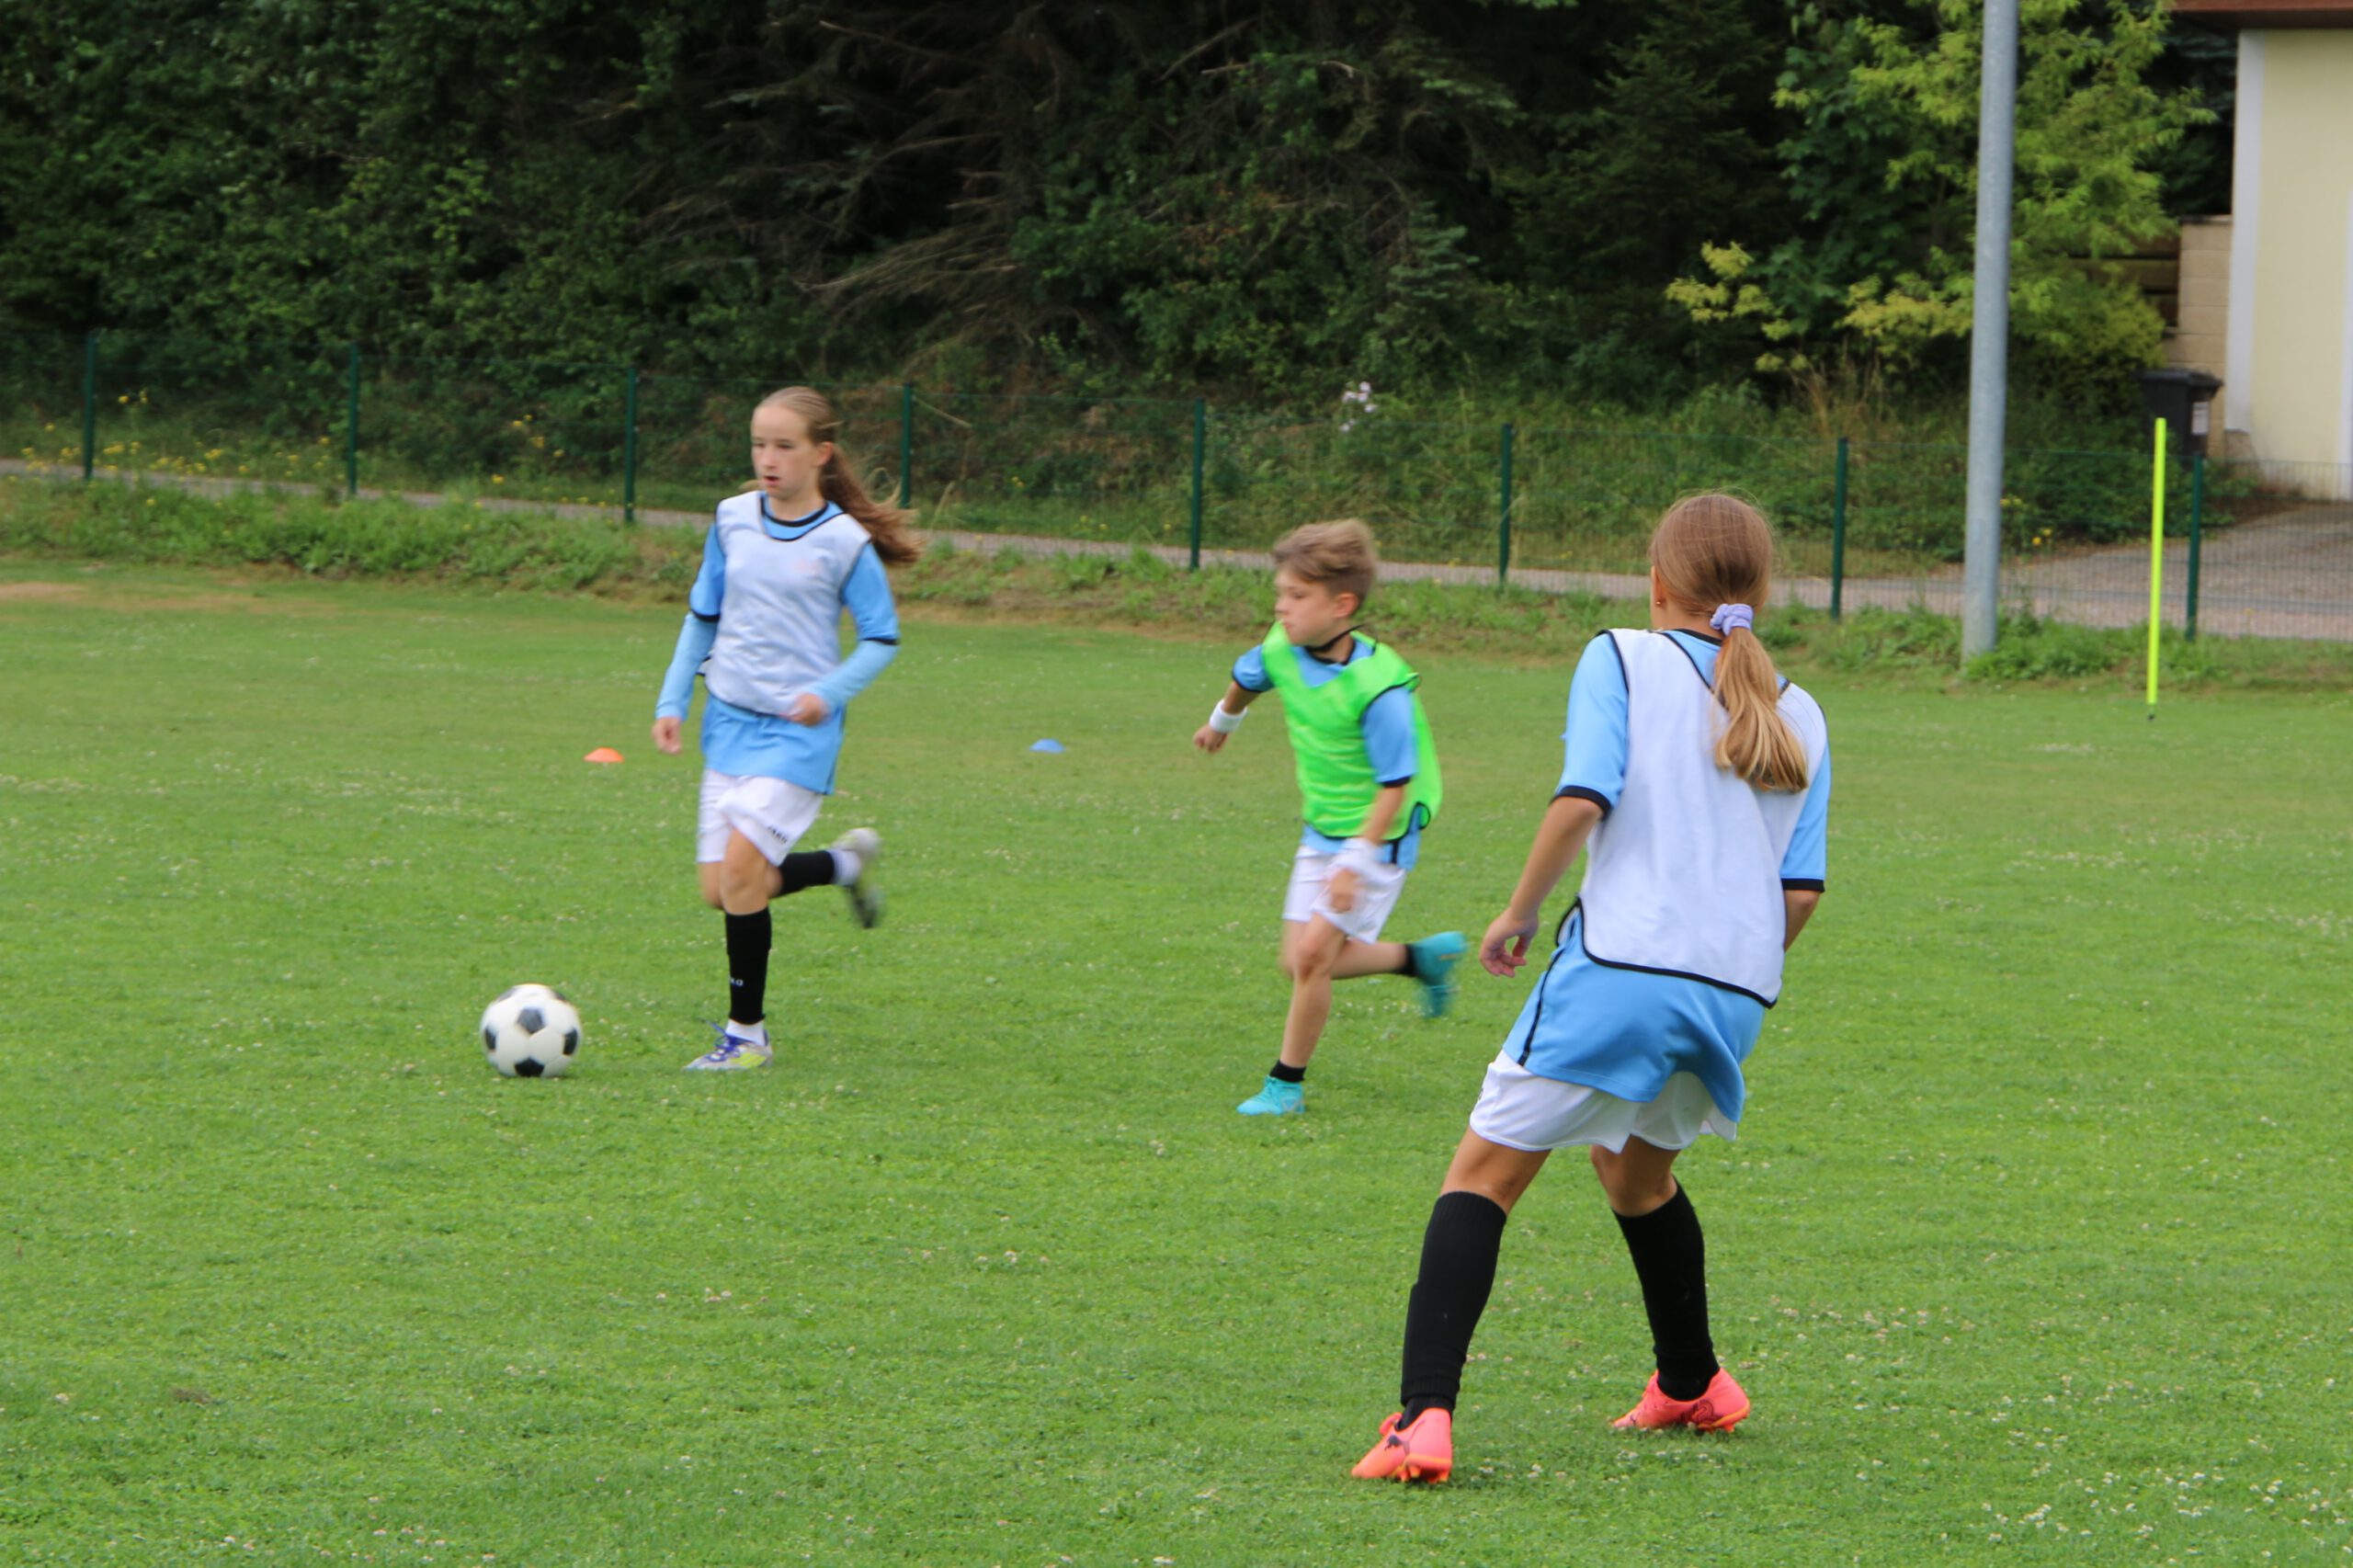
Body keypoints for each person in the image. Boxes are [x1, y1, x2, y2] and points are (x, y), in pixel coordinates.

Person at [1350, 493, 1832, 1483]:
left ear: (1657, 583)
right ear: (1759, 590)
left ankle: (1420, 1419)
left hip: (1622, 967)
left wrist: (1519, 911)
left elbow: (1583, 799)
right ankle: (1693, 1382)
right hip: (1736, 991)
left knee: (1481, 1177)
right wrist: (1726, 960)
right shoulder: (1801, 710)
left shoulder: (1622, 654)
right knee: (1633, 1173)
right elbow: (1800, 891)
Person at [651, 386, 920, 1071]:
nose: (767, 459)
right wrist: (672, 700)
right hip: (729, 726)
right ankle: (844, 865)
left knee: (743, 874)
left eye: (784, 446)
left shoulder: (843, 542)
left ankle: (747, 1037)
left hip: (798, 738)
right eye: (758, 444)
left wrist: (827, 694)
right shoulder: (732, 519)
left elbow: (881, 638)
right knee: (723, 890)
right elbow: (702, 617)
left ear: (821, 454)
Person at [1192, 519, 1465, 1117]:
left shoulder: (1379, 688)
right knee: (1297, 961)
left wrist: (1354, 864)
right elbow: (1247, 678)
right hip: (1321, 825)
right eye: (1280, 593)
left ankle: (1284, 1086)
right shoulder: (1281, 648)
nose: (1281, 607)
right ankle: (1421, 958)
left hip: (1380, 833)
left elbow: (1395, 786)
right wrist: (1221, 723)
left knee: (1314, 956)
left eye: (1297, 596)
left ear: (1342, 606)